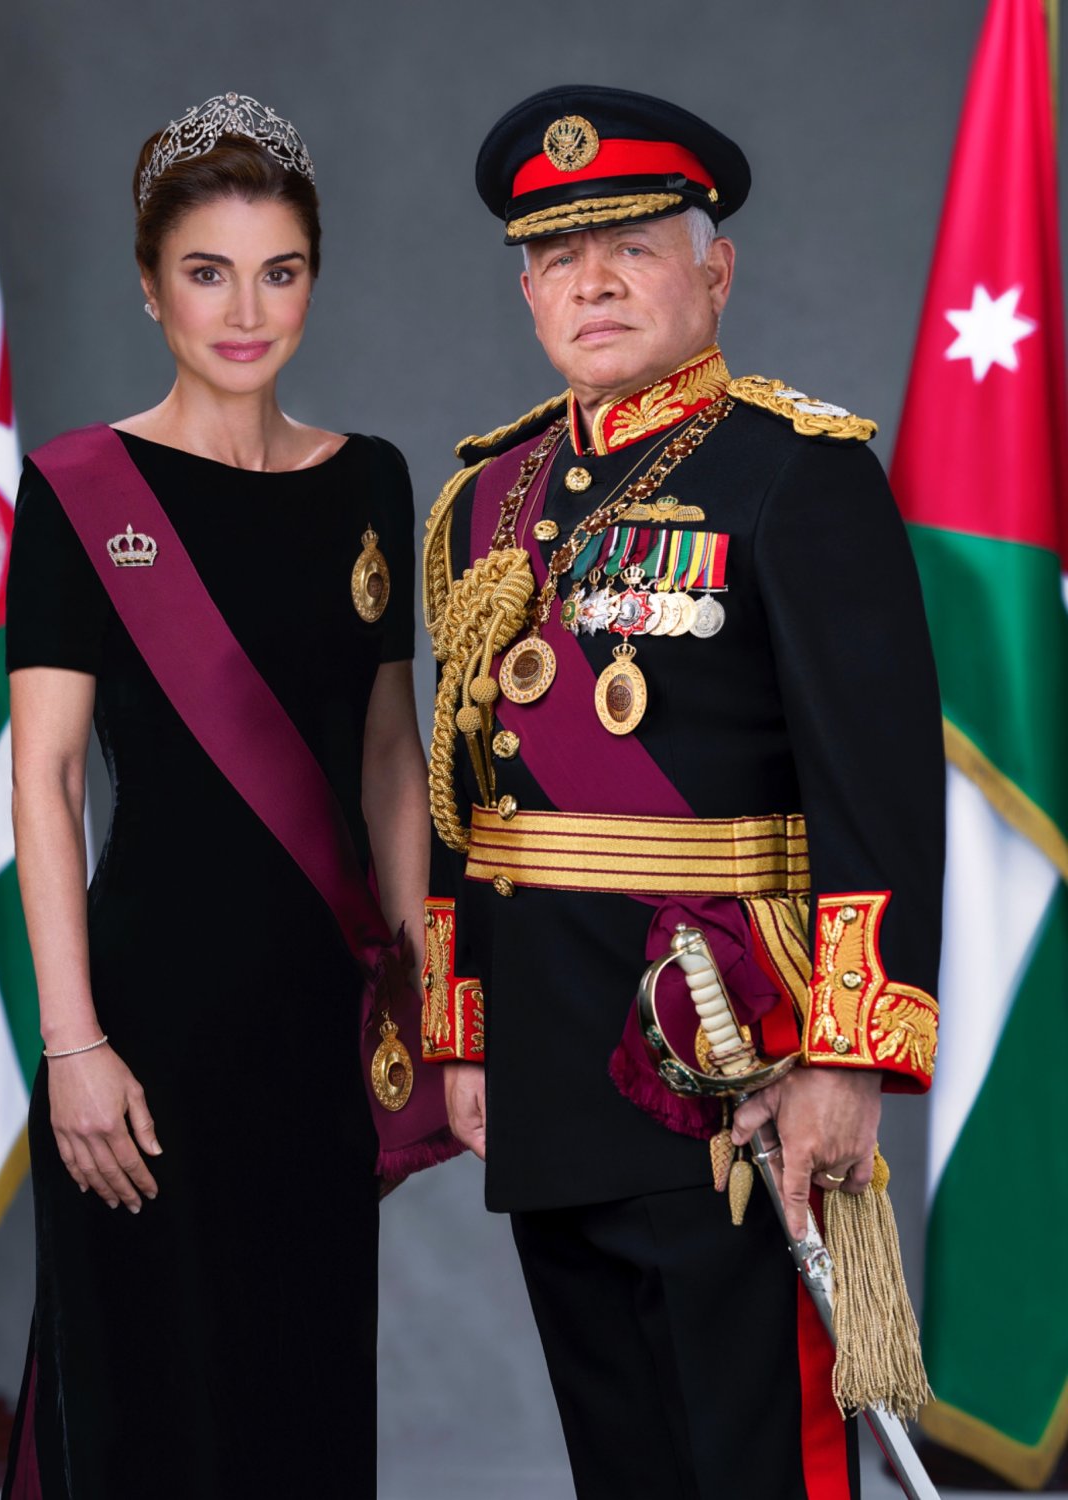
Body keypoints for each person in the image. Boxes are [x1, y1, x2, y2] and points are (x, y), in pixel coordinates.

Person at [420, 85, 944, 1498]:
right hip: (543, 1057)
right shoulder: (488, 502)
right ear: (528, 289)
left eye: (635, 246)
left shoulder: (798, 474)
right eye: (559, 257)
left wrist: (850, 1055)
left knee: (757, 1454)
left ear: (715, 270)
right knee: (624, 1456)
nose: (593, 282)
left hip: (728, 1051)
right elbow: (471, 793)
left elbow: (878, 790)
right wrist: (461, 1031)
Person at [2, 93, 453, 1500]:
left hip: (321, 1020)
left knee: (304, 1397)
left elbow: (391, 752)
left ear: (314, 278)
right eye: (207, 272)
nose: (245, 309)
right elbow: (46, 775)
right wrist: (72, 1043)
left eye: (280, 270)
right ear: (149, 287)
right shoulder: (80, 493)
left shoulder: (372, 482)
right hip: (146, 1026)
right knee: (148, 1407)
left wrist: (425, 976)